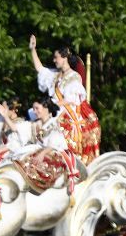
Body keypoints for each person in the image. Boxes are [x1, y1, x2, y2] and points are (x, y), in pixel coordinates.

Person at [29, 35, 100, 163]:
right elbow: (40, 69)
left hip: (66, 110)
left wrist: (52, 104)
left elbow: (71, 99)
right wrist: (33, 49)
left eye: (56, 57)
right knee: (32, 117)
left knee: (53, 126)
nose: (54, 60)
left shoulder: (74, 76)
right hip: (53, 108)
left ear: (65, 57)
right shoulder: (55, 75)